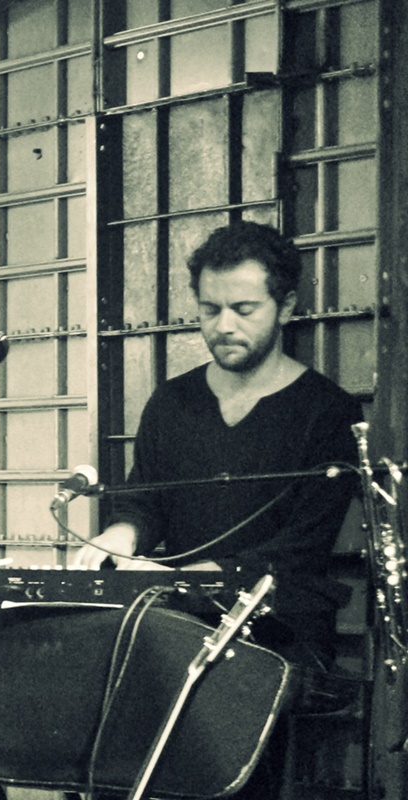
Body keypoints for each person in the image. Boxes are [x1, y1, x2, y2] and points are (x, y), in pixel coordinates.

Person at [73, 220, 363, 797]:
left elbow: (300, 549)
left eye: (243, 309)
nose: (223, 325)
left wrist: (190, 578)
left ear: (286, 307)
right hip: (182, 617)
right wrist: (121, 535)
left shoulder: (326, 411)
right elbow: (145, 499)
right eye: (210, 309)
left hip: (279, 628)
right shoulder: (173, 401)